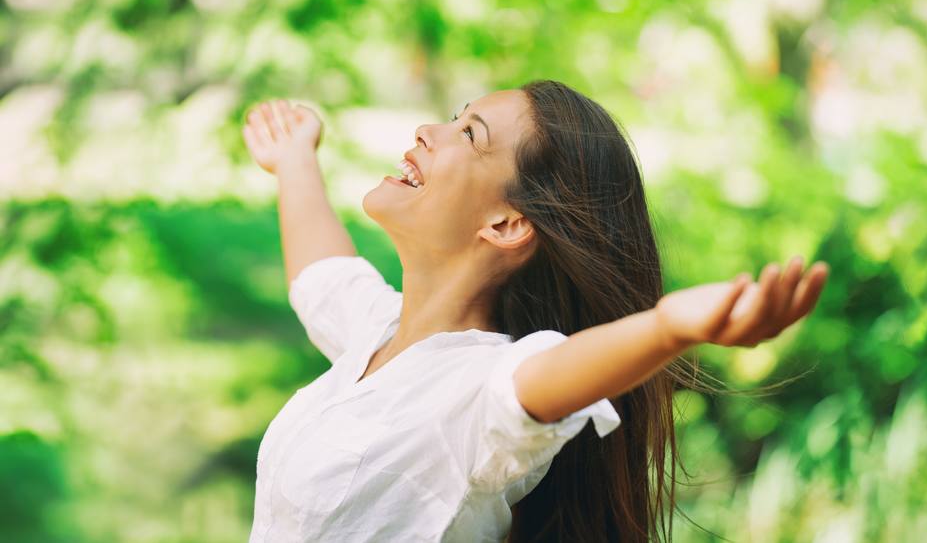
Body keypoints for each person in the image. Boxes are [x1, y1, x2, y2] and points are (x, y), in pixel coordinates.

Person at [240, 79, 829, 542]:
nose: (427, 131)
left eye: (468, 134)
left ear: (507, 223)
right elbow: (322, 276)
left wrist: (669, 328)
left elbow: (544, 381)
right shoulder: (378, 333)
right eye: (454, 119)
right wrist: (295, 159)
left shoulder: (480, 386)